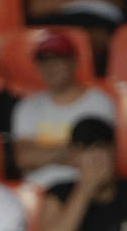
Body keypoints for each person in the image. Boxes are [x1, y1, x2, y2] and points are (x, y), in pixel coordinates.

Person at [10, 30, 116, 188]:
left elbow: (100, 160)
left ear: (73, 61)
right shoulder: (26, 107)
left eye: (57, 60)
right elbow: (23, 158)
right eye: (44, 62)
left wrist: (44, 153)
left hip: (87, 190)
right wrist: (71, 151)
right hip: (39, 192)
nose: (50, 68)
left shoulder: (98, 102)